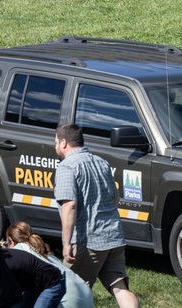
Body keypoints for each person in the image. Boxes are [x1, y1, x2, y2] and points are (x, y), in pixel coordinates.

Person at [54, 124, 140, 307]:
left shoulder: (67, 167)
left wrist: (66, 244)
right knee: (119, 286)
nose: (55, 146)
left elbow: (69, 205)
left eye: (55, 142)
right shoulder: (101, 162)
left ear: (63, 142)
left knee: (70, 290)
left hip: (88, 241)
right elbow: (115, 198)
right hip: (113, 236)